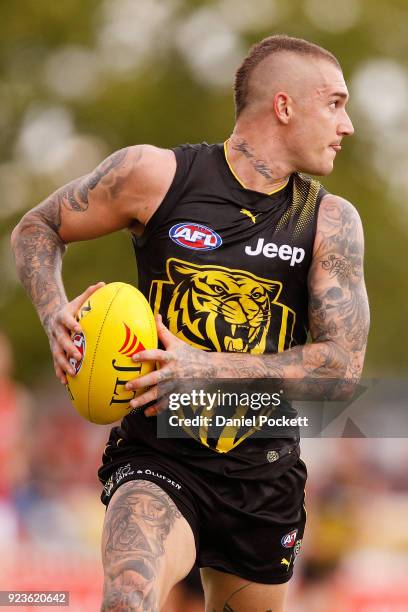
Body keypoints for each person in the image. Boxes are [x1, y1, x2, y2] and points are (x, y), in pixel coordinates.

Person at [11, 34, 369, 612]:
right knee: (128, 596)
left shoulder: (331, 222)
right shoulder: (154, 175)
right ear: (284, 106)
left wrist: (204, 365)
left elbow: (342, 369)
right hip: (158, 456)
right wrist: (54, 308)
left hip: (262, 472)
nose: (346, 123)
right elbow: (37, 227)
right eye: (334, 102)